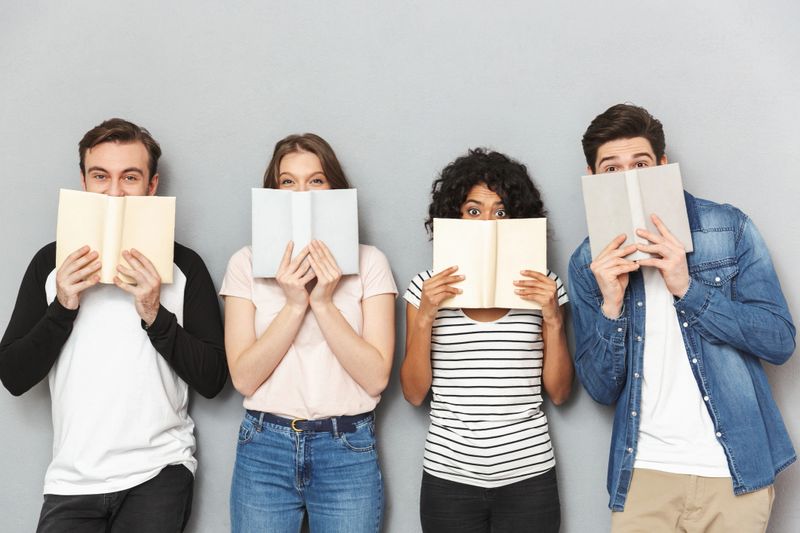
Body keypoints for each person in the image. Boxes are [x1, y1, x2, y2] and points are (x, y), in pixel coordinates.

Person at [568, 103, 796, 532]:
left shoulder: (726, 228)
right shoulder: (587, 263)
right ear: (592, 179)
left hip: (734, 472)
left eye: (641, 164)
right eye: (612, 169)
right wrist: (611, 304)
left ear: (663, 166)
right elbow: (600, 389)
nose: (629, 178)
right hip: (644, 473)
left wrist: (687, 287)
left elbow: (780, 341)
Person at [0, 118, 228, 533]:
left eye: (130, 177)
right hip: (71, 479)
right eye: (101, 176)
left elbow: (213, 379)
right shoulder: (48, 266)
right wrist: (63, 306)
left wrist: (153, 311)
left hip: (158, 471)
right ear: (84, 182)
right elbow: (13, 375)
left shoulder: (185, 267)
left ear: (152, 186)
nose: (115, 191)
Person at [221, 133, 397, 533]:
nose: (302, 192)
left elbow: (376, 377)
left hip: (346, 447)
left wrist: (322, 301)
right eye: (288, 182)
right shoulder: (244, 263)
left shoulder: (370, 262)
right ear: (273, 192)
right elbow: (244, 377)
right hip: (265, 445)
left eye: (316, 181)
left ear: (334, 188)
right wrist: (295, 302)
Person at [400, 148, 573, 533]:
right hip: (448, 477)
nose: (488, 222)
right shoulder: (423, 289)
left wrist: (552, 318)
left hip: (529, 474)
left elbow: (560, 393)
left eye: (501, 211)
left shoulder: (545, 287)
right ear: (453, 216)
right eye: (474, 210)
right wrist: (426, 314)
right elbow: (413, 394)